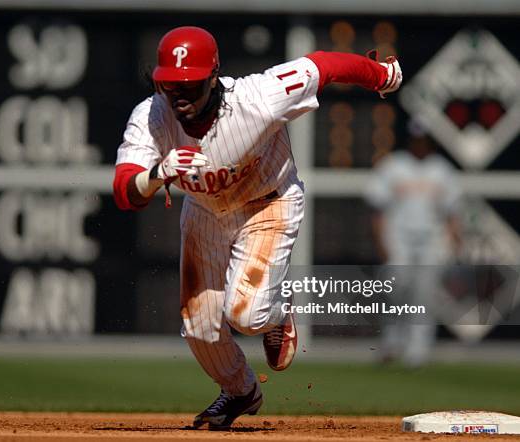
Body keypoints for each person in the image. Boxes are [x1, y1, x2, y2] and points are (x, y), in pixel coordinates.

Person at [114, 25, 402, 429]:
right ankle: (240, 392)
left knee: (247, 315)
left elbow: (325, 65)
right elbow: (126, 191)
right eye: (169, 85)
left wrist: (383, 76)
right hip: (205, 211)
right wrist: (156, 174)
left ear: (213, 77)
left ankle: (279, 314)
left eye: (189, 85)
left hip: (267, 203)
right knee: (198, 326)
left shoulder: (258, 98)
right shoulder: (151, 115)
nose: (178, 96)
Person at [365, 121, 462, 367]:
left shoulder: (441, 170)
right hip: (399, 236)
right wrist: (380, 241)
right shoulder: (393, 166)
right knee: (396, 289)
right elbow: (377, 209)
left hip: (431, 238)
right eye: (416, 138)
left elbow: (452, 212)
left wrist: (454, 241)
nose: (420, 143)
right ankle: (392, 341)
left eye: (424, 139)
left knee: (424, 294)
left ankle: (417, 350)